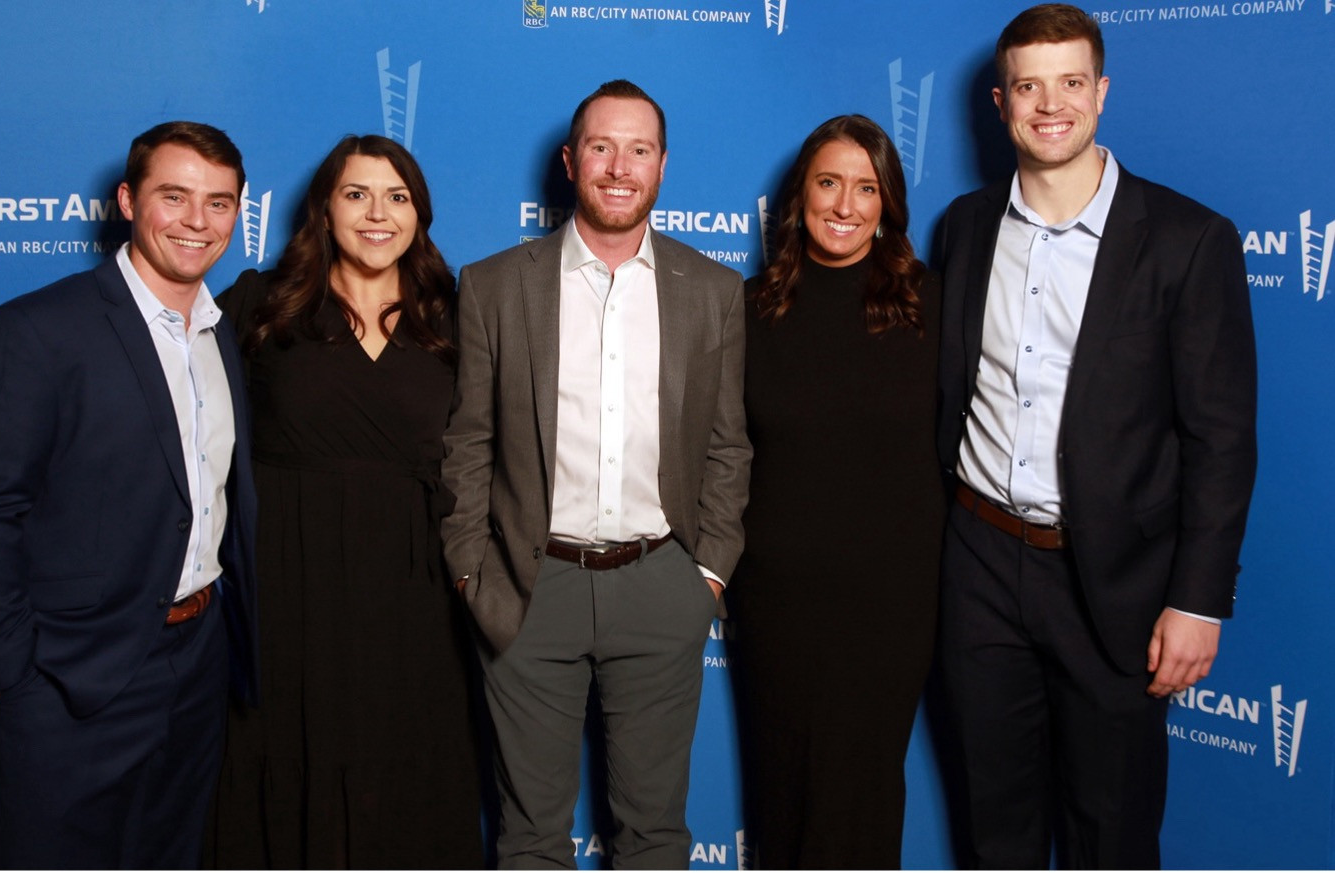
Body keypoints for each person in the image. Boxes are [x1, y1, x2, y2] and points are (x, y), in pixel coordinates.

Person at [934, 3, 1257, 868]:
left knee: (1108, 830)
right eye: (1029, 86)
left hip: (1113, 579)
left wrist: (1198, 598)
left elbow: (1221, 438)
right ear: (1000, 102)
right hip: (978, 566)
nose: (1050, 105)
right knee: (992, 823)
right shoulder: (965, 228)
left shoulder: (1190, 241)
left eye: (1070, 83)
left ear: (1101, 93)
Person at [440, 79, 751, 868]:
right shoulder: (494, 285)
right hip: (528, 584)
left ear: (663, 164)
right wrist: (473, 571)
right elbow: (469, 440)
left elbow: (727, 445)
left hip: (661, 581)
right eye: (603, 147)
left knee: (653, 836)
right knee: (531, 836)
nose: (620, 166)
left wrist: (707, 572)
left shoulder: (713, 292)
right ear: (571, 159)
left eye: (639, 149)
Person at [0, 121, 258, 868]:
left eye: (218, 202)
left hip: (197, 662)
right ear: (126, 200)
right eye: (173, 196)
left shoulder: (220, 332)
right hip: (71, 677)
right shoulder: (36, 330)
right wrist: (17, 678)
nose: (196, 221)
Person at [208, 135, 483, 869]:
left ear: (419, 214)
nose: (377, 213)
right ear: (324, 209)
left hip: (416, 593)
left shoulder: (457, 318)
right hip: (290, 587)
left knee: (410, 762)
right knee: (291, 758)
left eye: (397, 196)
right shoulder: (259, 305)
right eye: (356, 193)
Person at [727, 115, 942, 869]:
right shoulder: (747, 310)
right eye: (828, 183)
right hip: (775, 602)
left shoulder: (931, 307)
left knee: (862, 797)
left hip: (890, 607)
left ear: (888, 203)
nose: (845, 204)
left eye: (866, 186)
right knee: (780, 792)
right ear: (800, 197)